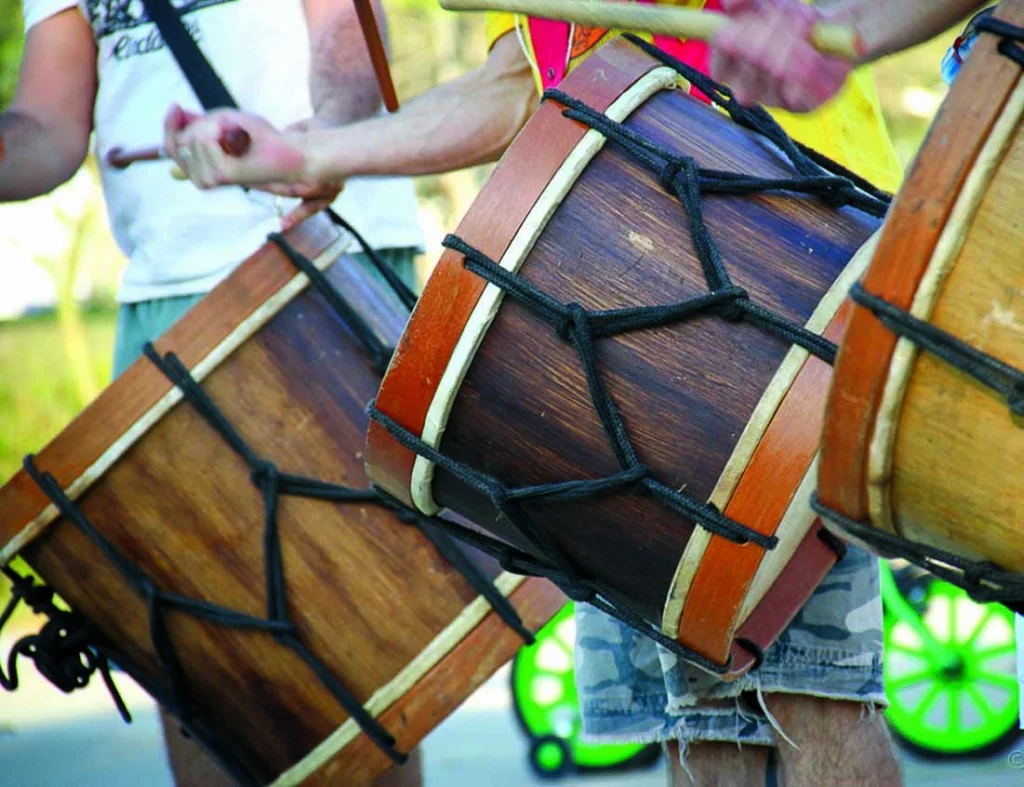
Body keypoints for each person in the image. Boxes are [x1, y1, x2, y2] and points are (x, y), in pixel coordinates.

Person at [165, 0, 996, 784]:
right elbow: (516, 84)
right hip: (608, 293)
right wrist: (312, 155)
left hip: (788, 285)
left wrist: (842, 21)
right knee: (703, 731)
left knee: (813, 698)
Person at [1, 1, 424, 785]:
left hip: (326, 255)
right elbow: (48, 128)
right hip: (166, 297)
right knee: (197, 672)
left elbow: (347, 40)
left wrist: (315, 147)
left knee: (370, 663)